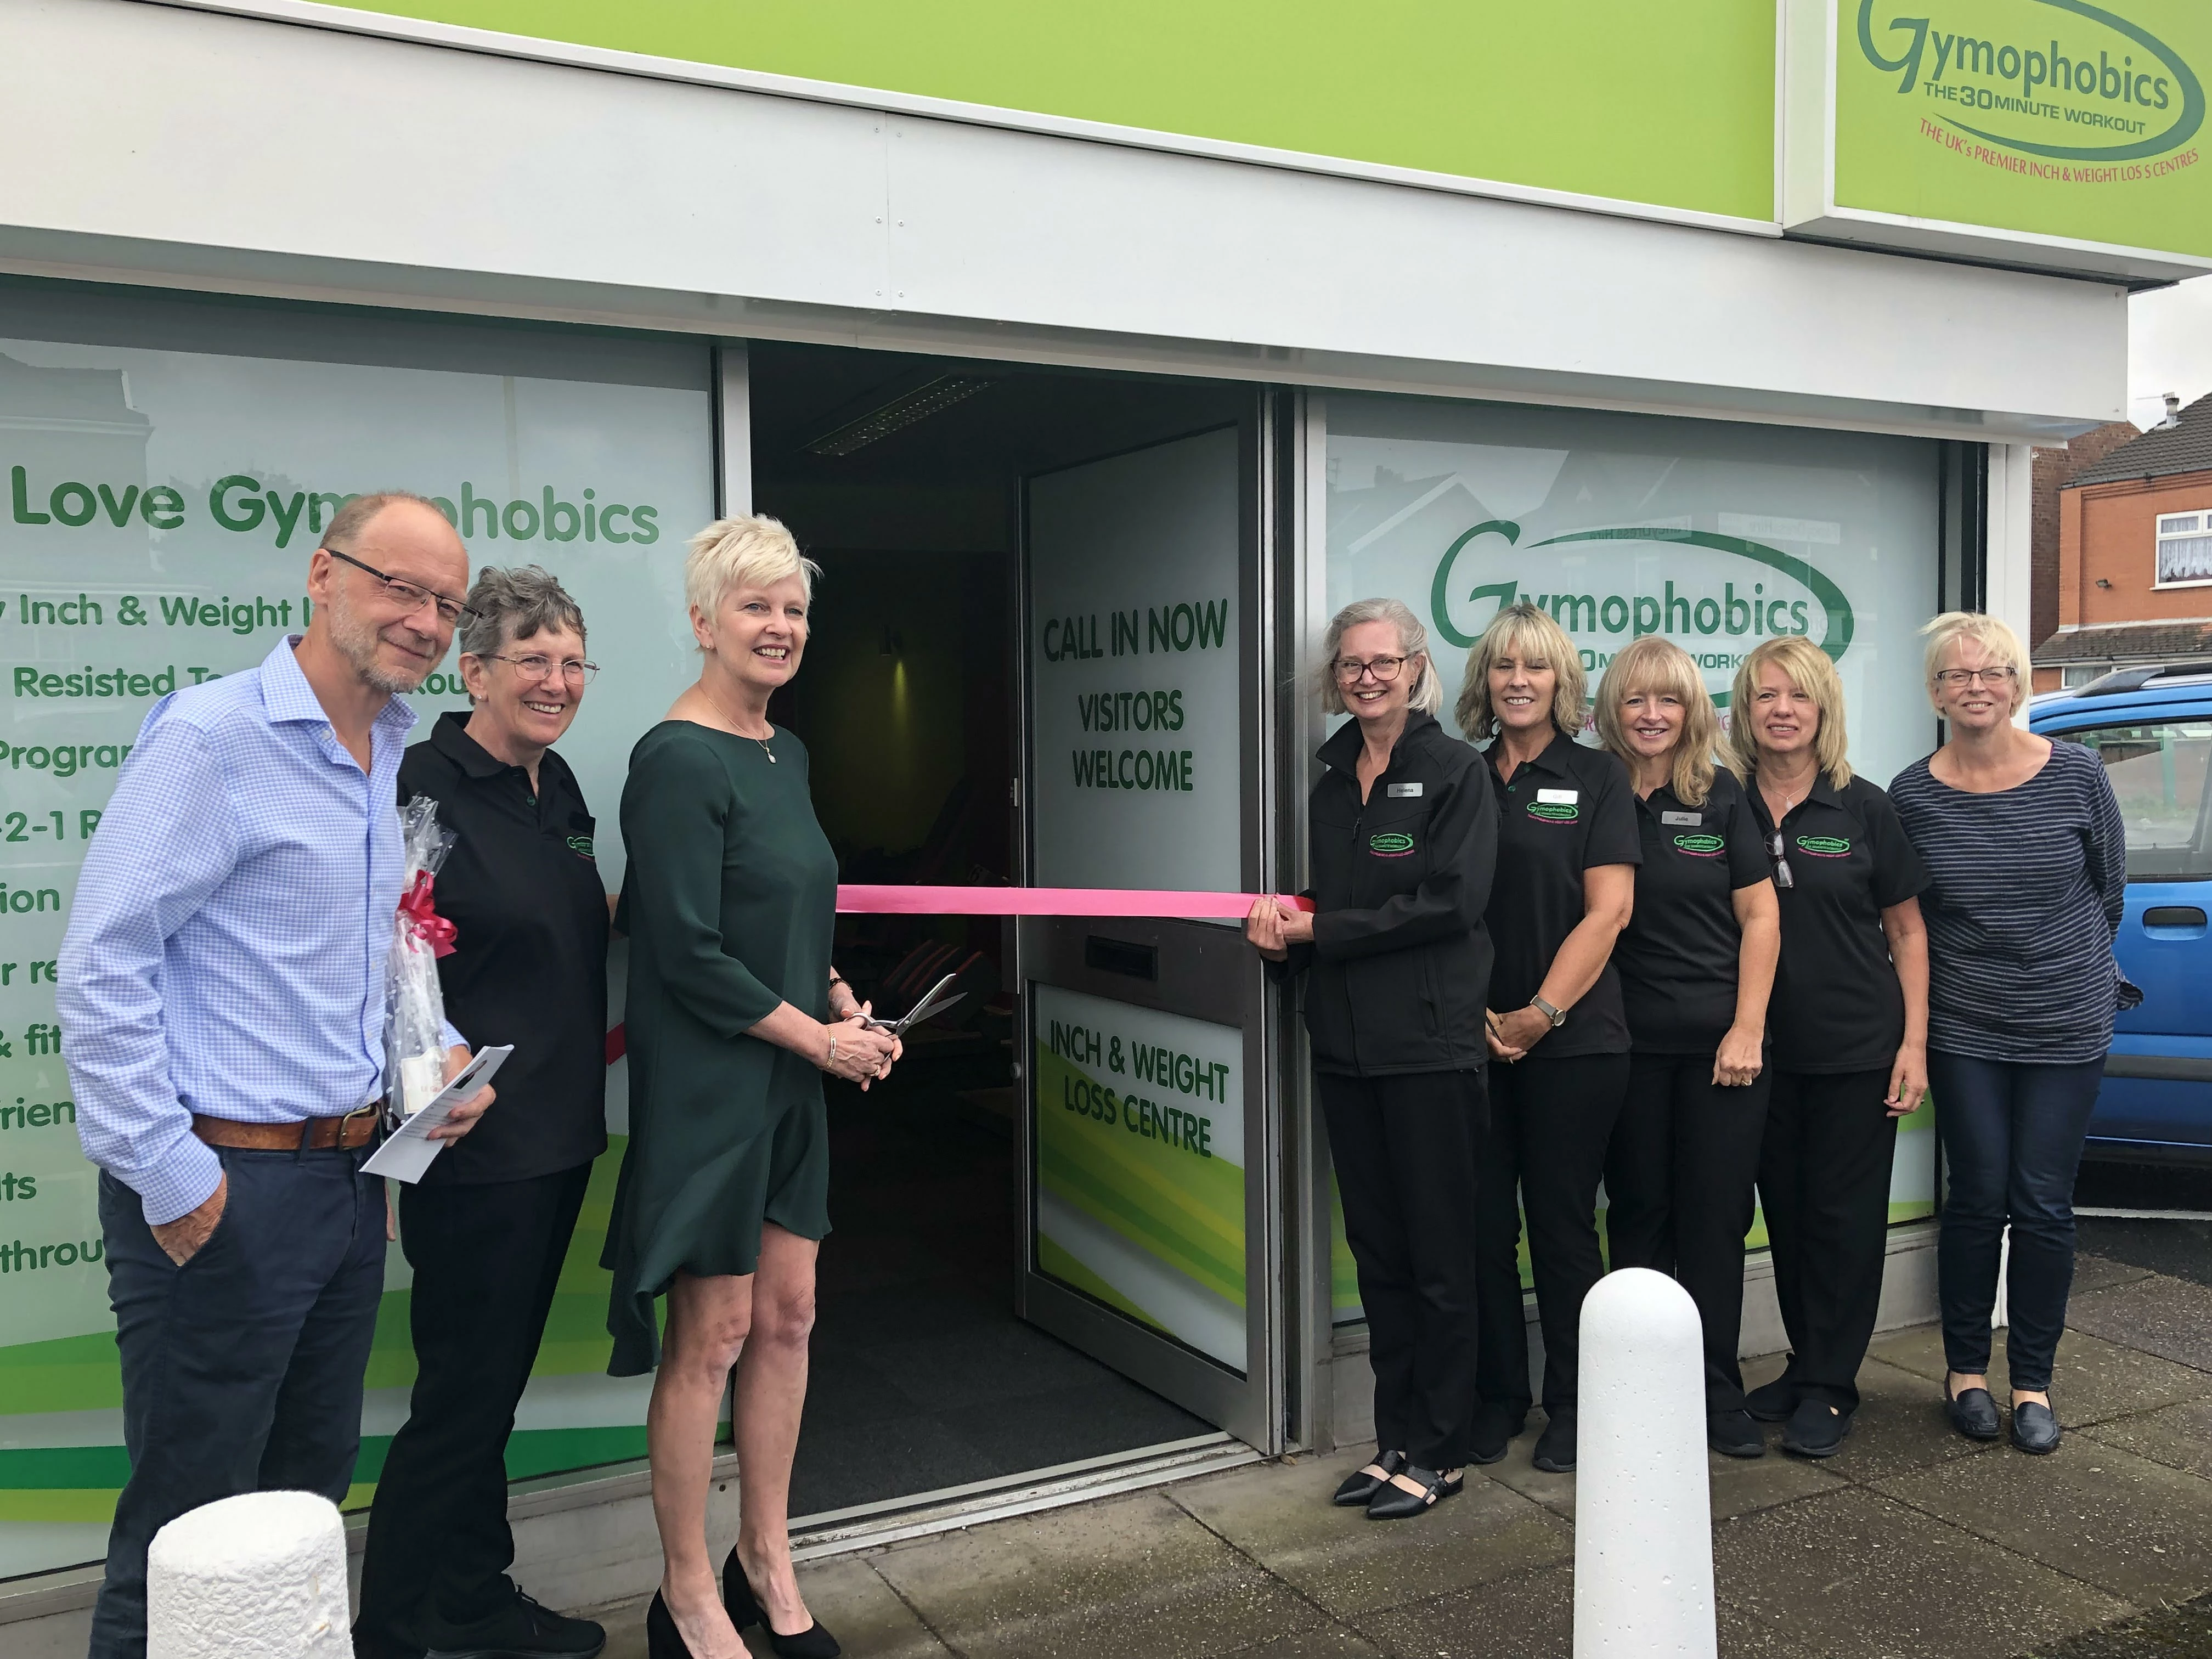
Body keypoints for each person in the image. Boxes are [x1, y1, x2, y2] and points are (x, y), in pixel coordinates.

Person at [57, 493, 493, 1659]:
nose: (422, 620)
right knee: (188, 1534)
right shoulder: (213, 737)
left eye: (444, 604)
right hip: (226, 1189)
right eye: (398, 586)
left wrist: (428, 1067)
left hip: (350, 1188)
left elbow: (357, 962)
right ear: (323, 574)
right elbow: (102, 966)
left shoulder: (388, 748)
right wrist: (172, 1178)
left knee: (298, 1514)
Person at [605, 515, 900, 1659]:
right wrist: (815, 1044)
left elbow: (786, 915)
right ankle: (685, 1595)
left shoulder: (787, 750)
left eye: (794, 610)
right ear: (702, 622)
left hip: (788, 1070)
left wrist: (838, 1003)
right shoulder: (675, 759)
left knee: (790, 1318)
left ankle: (765, 1559)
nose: (779, 627)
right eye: (755, 607)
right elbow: (680, 949)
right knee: (714, 1335)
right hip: (713, 1089)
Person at [356, 567, 611, 1659]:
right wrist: (418, 1081)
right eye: (532, 662)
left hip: (556, 1138)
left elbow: (571, 926)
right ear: (476, 671)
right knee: (461, 1400)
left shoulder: (560, 794)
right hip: (471, 1149)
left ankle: (472, 1596)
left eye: (571, 663)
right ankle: (396, 1630)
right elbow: (388, 958)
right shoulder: (421, 784)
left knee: (491, 1392)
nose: (555, 682)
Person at [1247, 597, 1497, 1520]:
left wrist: (1324, 929)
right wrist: (1289, 931)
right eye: (1351, 666)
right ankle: (1398, 1440)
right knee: (1380, 1252)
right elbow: (1339, 898)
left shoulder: (1454, 773)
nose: (1366, 678)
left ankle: (1445, 1447)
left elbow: (1449, 904)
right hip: (1348, 1046)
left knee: (1439, 1257)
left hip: (1428, 1048)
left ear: (1416, 666)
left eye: (1382, 663)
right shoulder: (1331, 775)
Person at [1889, 612, 2132, 1457]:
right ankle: (1965, 1373)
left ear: (2018, 684)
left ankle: (2033, 1381)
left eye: (1993, 672)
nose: (1977, 686)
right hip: (1966, 1027)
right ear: (1935, 692)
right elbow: (1910, 919)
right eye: (1958, 675)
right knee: (1978, 1196)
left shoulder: (2078, 775)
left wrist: (2067, 972)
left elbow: (2108, 894)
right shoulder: (1912, 795)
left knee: (2042, 1203)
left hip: (2066, 1024)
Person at [1732, 635, 1929, 1459]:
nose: (1783, 710)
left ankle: (1832, 1387)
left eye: (1800, 696)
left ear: (1824, 710)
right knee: (1787, 1215)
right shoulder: (1723, 802)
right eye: (1767, 695)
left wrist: (1915, 1043)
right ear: (1745, 710)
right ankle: (1804, 1361)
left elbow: (1909, 929)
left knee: (1843, 1221)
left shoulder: (1864, 807)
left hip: (1854, 1044)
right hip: (1757, 1050)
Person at [1463, 602, 1639, 1476]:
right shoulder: (1460, 778)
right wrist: (1481, 1021)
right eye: (1503, 666)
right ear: (1485, 681)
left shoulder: (1597, 777)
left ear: (1563, 682)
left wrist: (1540, 1014)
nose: (1519, 682)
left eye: (1536, 667)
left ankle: (1576, 1402)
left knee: (1565, 1229)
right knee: (1484, 1230)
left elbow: (1610, 911)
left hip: (1573, 1042)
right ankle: (1498, 1396)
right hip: (1471, 1041)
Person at [1594, 637, 1779, 1459]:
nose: (1653, 715)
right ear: (1613, 708)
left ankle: (1714, 1393)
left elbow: (1762, 919)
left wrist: (1747, 1028)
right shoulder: (1594, 791)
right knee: (1637, 1217)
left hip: (1719, 1051)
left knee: (1711, 1221)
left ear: (1692, 710)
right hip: (1620, 1046)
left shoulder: (1723, 796)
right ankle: (1632, 1390)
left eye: (1669, 699)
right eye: (1636, 699)